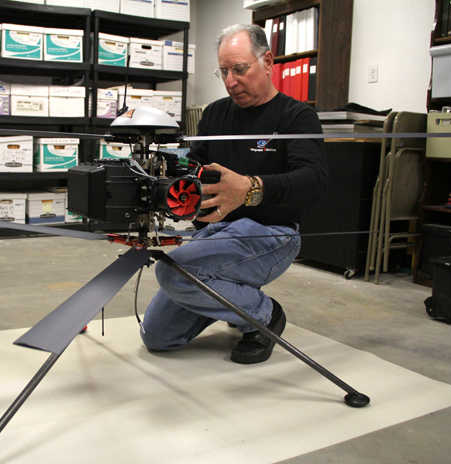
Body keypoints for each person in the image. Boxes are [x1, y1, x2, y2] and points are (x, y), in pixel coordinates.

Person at [140, 24, 328, 364]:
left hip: (272, 234)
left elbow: (314, 180)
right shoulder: (215, 114)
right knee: (157, 336)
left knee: (171, 273)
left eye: (240, 69)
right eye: (223, 72)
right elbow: (195, 167)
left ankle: (265, 315)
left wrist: (252, 188)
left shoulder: (297, 116)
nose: (230, 82)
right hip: (215, 232)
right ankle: (231, 299)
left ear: (267, 61)